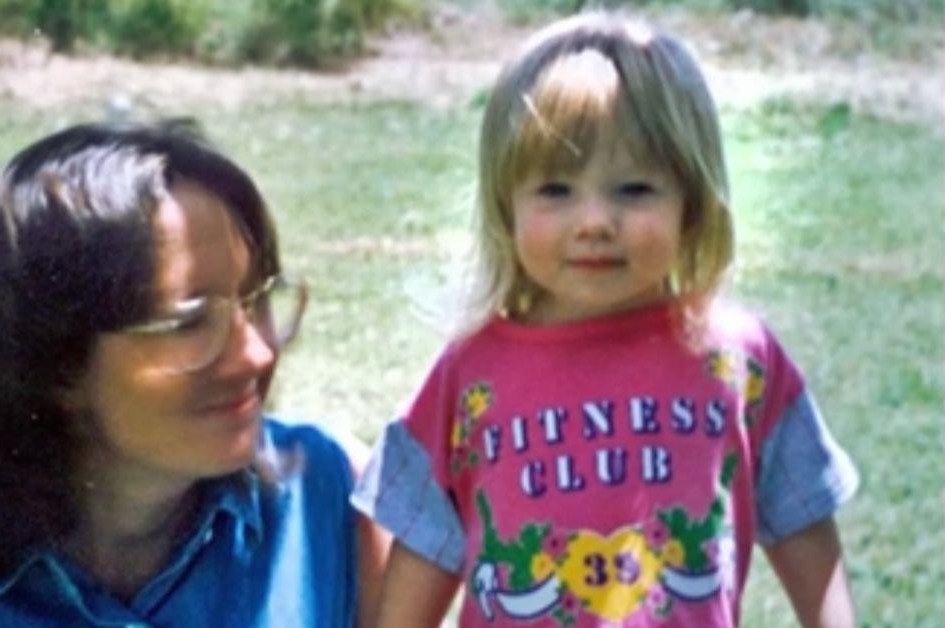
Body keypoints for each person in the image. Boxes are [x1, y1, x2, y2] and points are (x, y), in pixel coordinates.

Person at [352, 12, 858, 628]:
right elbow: (420, 565)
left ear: (692, 204)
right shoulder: (470, 375)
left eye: (635, 188)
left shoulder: (739, 358)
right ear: (504, 203)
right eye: (556, 190)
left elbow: (807, 533)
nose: (594, 221)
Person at [0, 120, 387, 627]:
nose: (255, 354)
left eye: (255, 299)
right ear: (55, 363)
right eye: (188, 323)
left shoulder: (332, 500)